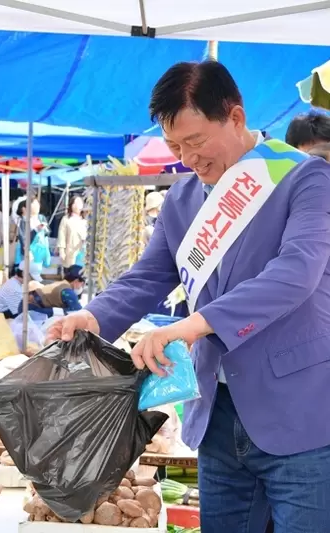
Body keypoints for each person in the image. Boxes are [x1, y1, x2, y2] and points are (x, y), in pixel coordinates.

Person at [47, 60, 330, 533]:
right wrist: (92, 318)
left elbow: (296, 273)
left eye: (196, 142)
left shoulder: (304, 179)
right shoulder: (183, 199)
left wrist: (196, 324)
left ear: (235, 117)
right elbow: (149, 276)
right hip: (215, 417)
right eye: (176, 147)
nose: (188, 158)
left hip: (299, 412)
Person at [15, 197, 49, 266]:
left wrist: (45, 229)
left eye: (38, 204)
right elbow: (23, 236)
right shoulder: (24, 220)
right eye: (34, 204)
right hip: (30, 251)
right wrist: (36, 229)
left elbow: (47, 233)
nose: (37, 206)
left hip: (41, 249)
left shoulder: (42, 218)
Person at [57, 195, 88, 272]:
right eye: (73, 203)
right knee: (70, 273)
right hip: (70, 251)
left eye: (78, 203)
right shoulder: (66, 219)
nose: (76, 205)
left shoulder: (85, 220)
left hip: (82, 251)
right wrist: (61, 251)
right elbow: (62, 235)